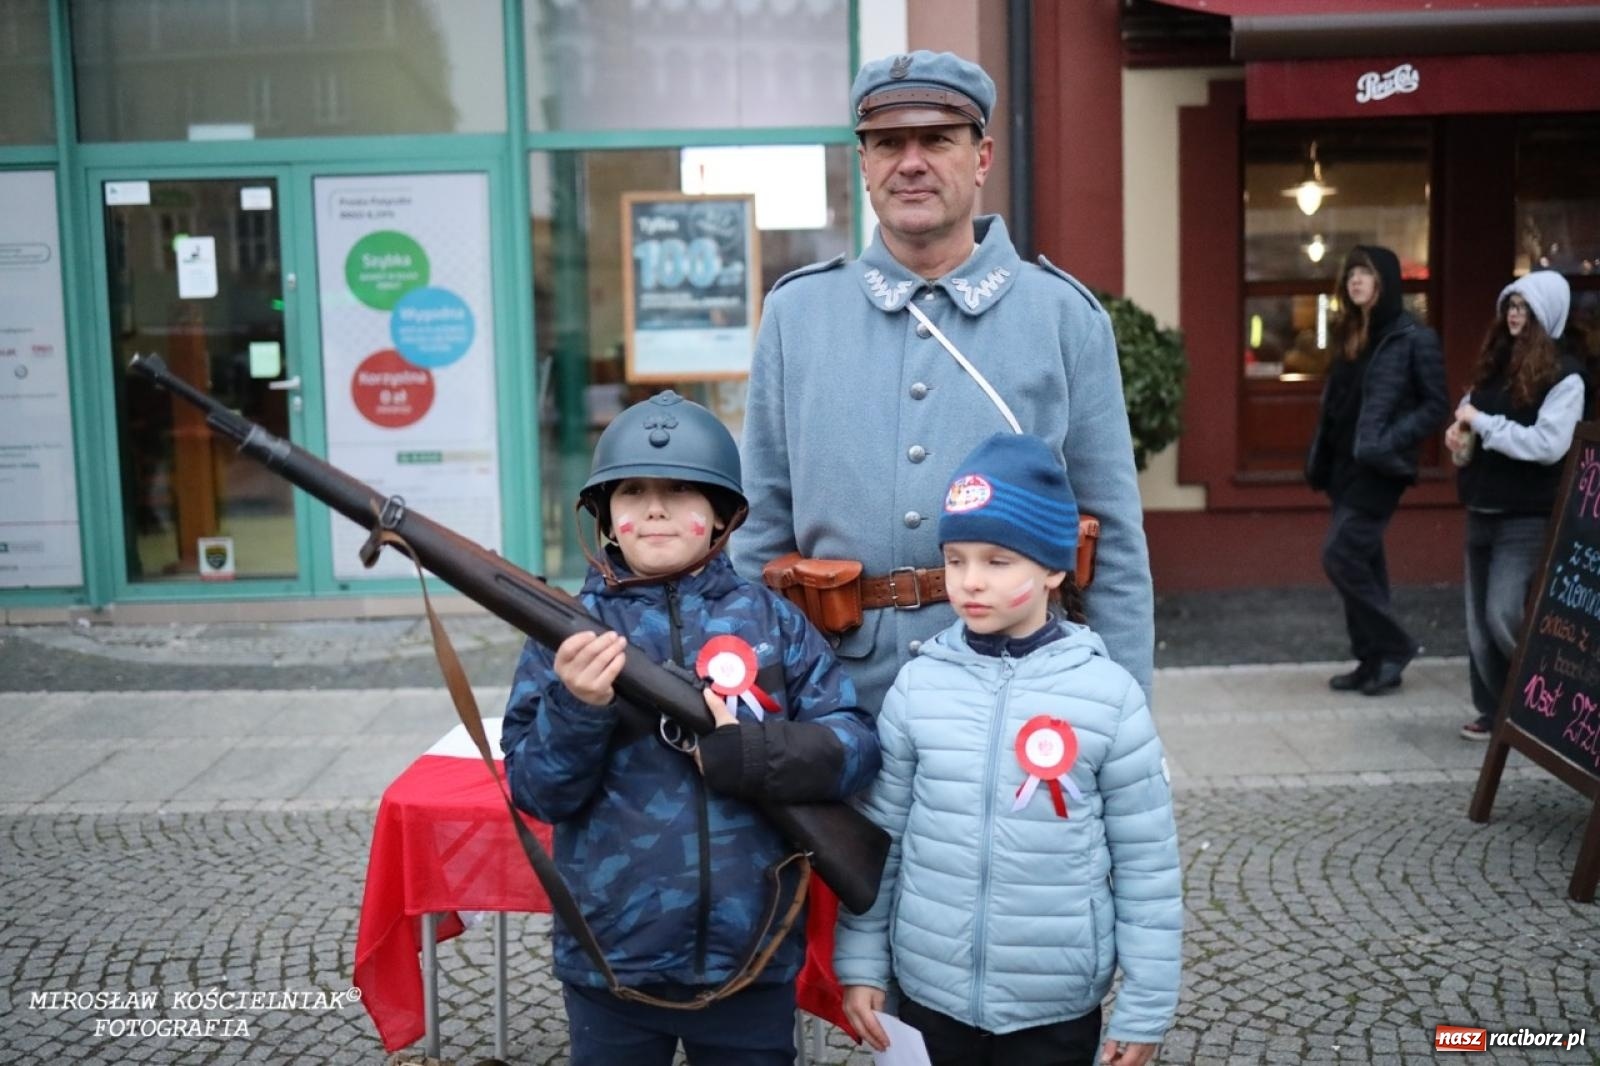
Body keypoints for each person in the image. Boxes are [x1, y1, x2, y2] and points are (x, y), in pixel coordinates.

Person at [732, 50, 1153, 717]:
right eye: (888, 143)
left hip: (1019, 696)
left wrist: (1124, 716)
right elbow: (758, 531)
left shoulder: (1064, 317)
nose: (912, 162)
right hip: (837, 697)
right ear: (864, 164)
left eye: (937, 139)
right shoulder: (797, 315)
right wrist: (750, 700)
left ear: (982, 157)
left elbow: (1116, 541)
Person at [500, 390, 881, 1066]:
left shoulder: (774, 622)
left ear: (722, 516)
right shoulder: (567, 638)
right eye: (633, 491)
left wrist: (755, 754)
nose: (653, 508)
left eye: (680, 490)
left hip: (753, 949)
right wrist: (576, 708)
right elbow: (535, 790)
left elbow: (853, 744)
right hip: (610, 959)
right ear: (607, 517)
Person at [833, 433, 1181, 1066]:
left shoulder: (1109, 697)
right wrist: (860, 961)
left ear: (1053, 569)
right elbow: (880, 840)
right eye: (957, 559)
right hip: (928, 995)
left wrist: (1146, 1005)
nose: (969, 582)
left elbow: (1147, 867)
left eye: (997, 561)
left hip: (1055, 1007)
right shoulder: (919, 686)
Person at [1306, 245, 1448, 696]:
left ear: (1384, 280)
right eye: (1350, 274)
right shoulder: (1352, 334)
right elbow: (1340, 405)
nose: (1355, 281)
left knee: (1341, 554)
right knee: (1366, 561)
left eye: (1364, 273)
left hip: (1380, 468)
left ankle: (1395, 644)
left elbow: (1435, 405)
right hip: (1344, 467)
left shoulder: (1412, 337)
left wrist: (1390, 439)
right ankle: (1373, 660)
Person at [1448, 271, 1583, 739]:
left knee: (1504, 613)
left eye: (1524, 308)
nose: (1514, 315)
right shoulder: (1495, 364)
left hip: (1526, 515)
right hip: (1481, 505)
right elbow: (1469, 414)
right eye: (1510, 305)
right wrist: (1459, 435)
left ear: (1546, 315)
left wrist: (1482, 424)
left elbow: (1547, 444)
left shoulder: (1565, 377)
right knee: (1477, 622)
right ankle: (1495, 710)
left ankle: (1549, 695)